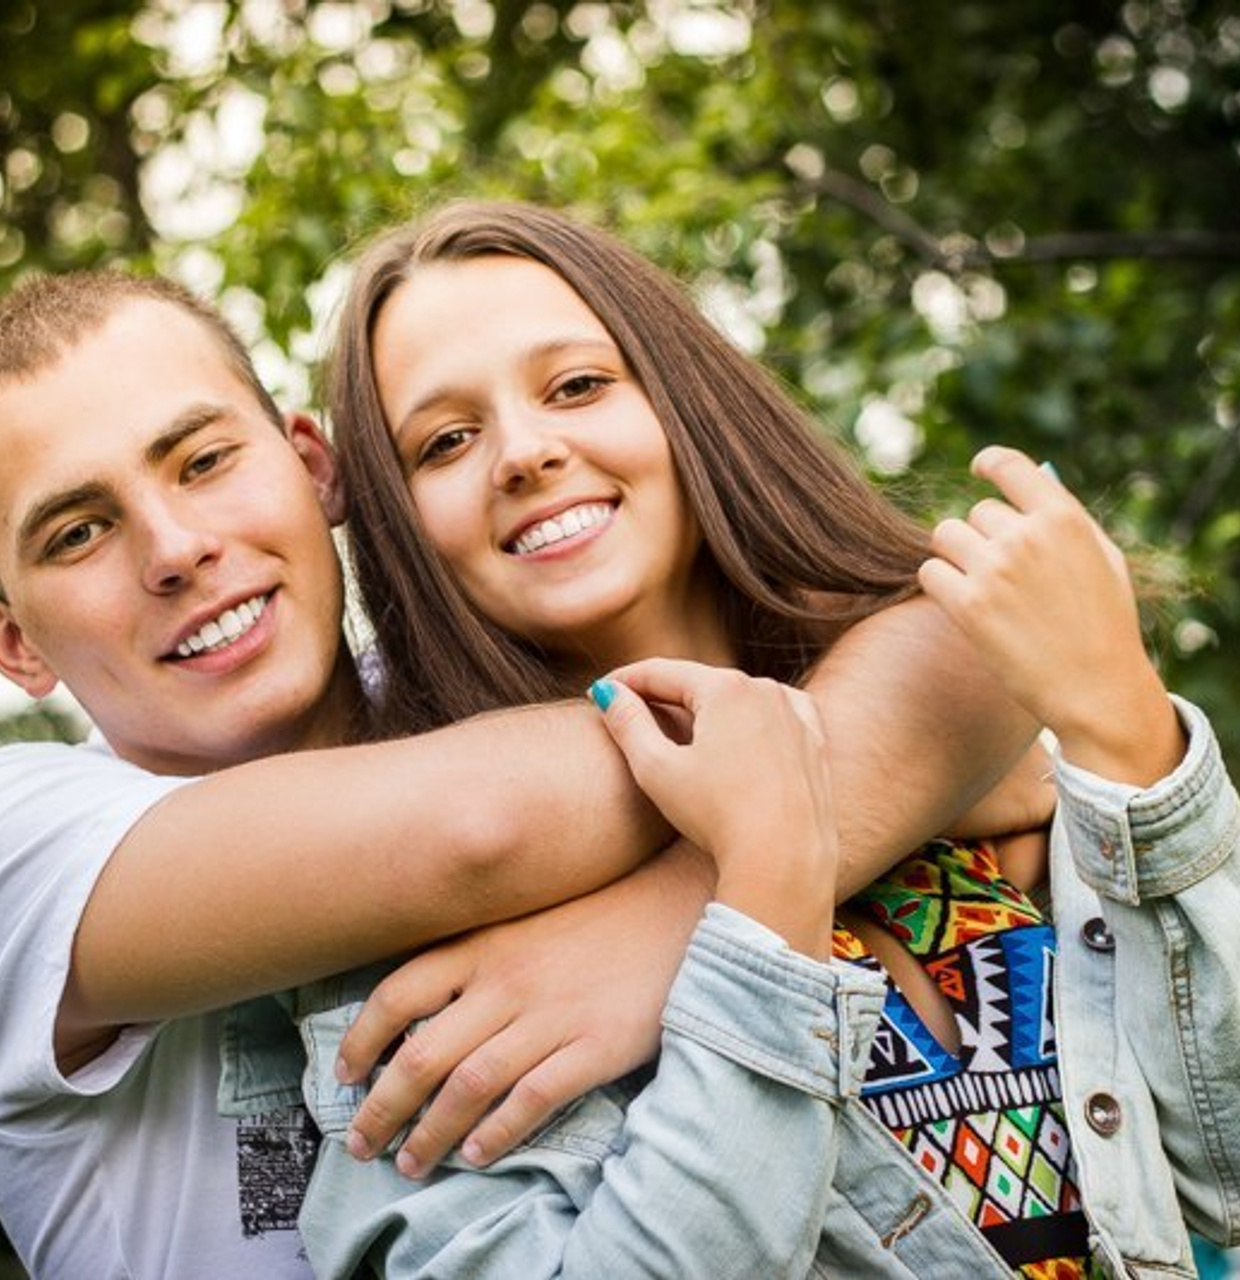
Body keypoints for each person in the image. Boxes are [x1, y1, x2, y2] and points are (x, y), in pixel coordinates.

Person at [286, 200, 1240, 1277]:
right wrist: (759, 902)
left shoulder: (967, 747)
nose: (524, 453)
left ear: (682, 397)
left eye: (576, 386)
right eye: (444, 442)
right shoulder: (427, 959)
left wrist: (1126, 727)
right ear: (397, 522)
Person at [0, 271, 1043, 1276]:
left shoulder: (469, 696)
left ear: (313, 467)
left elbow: (965, 641)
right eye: (77, 532)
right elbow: (474, 829)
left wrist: (657, 927)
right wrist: (878, 771)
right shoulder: (28, 833)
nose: (175, 547)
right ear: (15, 643)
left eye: (204, 461)